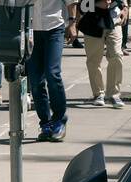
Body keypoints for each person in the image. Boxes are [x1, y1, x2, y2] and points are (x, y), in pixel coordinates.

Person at [27, 0, 75, 142]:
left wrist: (72, 23)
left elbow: (71, 1)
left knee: (52, 73)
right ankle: (45, 122)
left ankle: (59, 119)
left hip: (54, 27)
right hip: (31, 30)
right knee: (35, 80)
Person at [75, 0, 128, 109]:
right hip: (93, 23)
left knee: (117, 55)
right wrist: (96, 4)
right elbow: (82, 6)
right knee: (93, 61)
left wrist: (125, 8)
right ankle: (98, 94)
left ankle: (114, 94)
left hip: (114, 22)